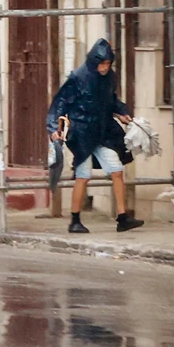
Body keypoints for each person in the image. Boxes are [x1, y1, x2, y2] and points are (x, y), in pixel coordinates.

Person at [47, 38, 143, 234]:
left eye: (108, 63)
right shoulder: (78, 77)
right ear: (94, 62)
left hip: (102, 131)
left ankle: (122, 218)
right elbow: (60, 103)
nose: (105, 67)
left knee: (116, 170)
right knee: (83, 175)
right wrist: (54, 128)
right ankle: (75, 220)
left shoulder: (109, 77)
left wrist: (122, 112)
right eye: (102, 63)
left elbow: (111, 100)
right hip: (81, 133)